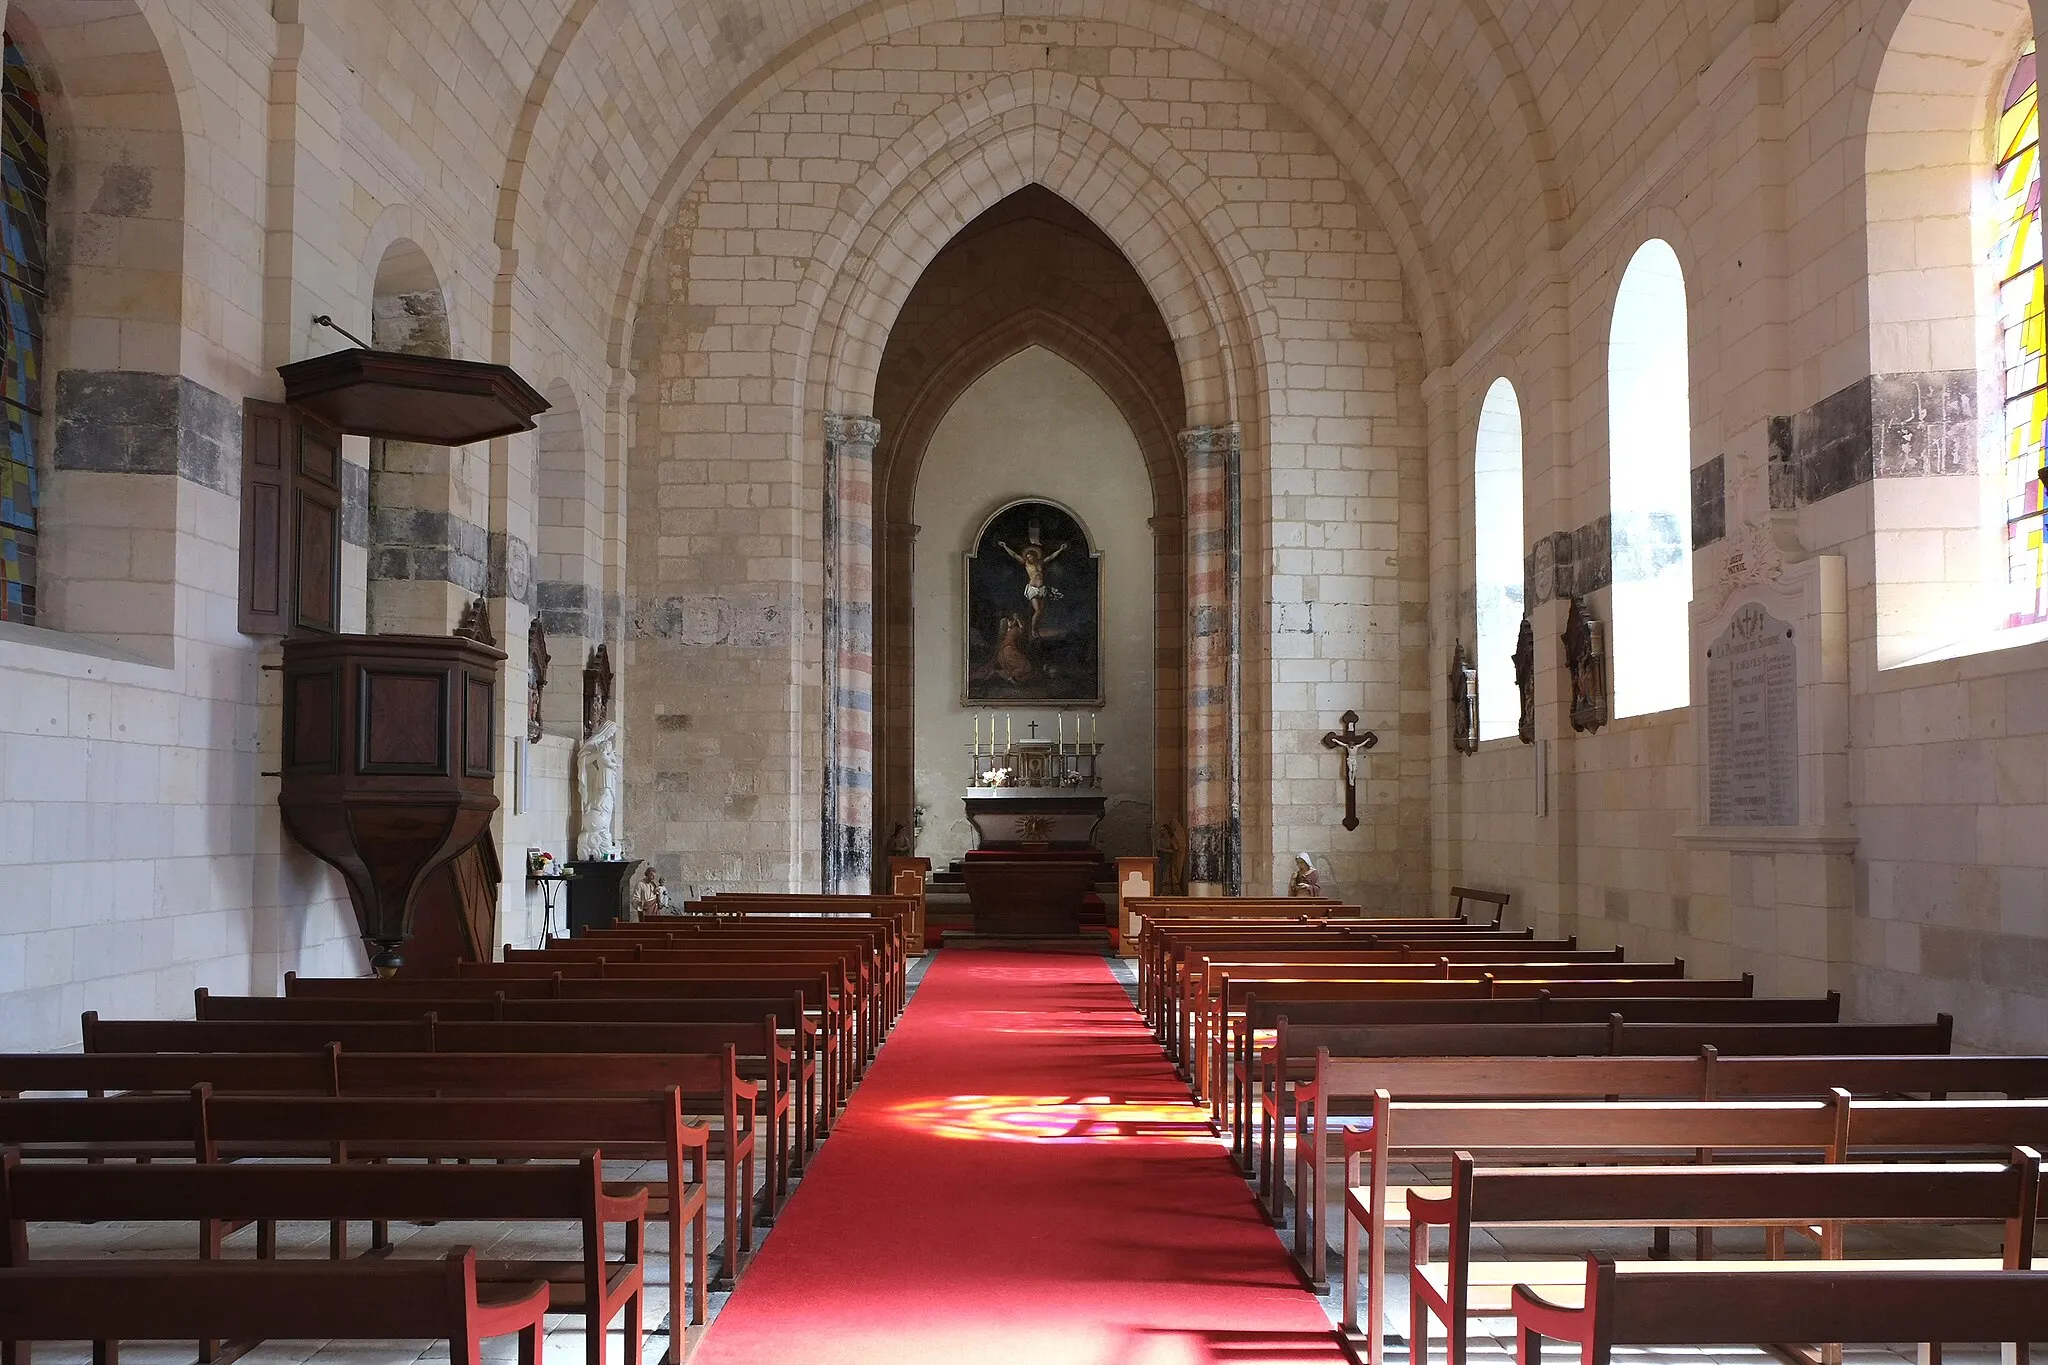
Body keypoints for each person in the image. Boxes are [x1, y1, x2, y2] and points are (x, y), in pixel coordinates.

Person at [998, 535, 1068, 639]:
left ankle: (1036, 629)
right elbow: (1013, 554)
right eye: (1028, 556)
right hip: (1033, 589)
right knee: (1038, 610)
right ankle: (1033, 630)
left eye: (1031, 555)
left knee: (1041, 611)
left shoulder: (1040, 562)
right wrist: (1005, 546)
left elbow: (1051, 557)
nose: (1029, 557)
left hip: (1042, 589)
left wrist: (1060, 549)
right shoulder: (1026, 564)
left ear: (1035, 556)